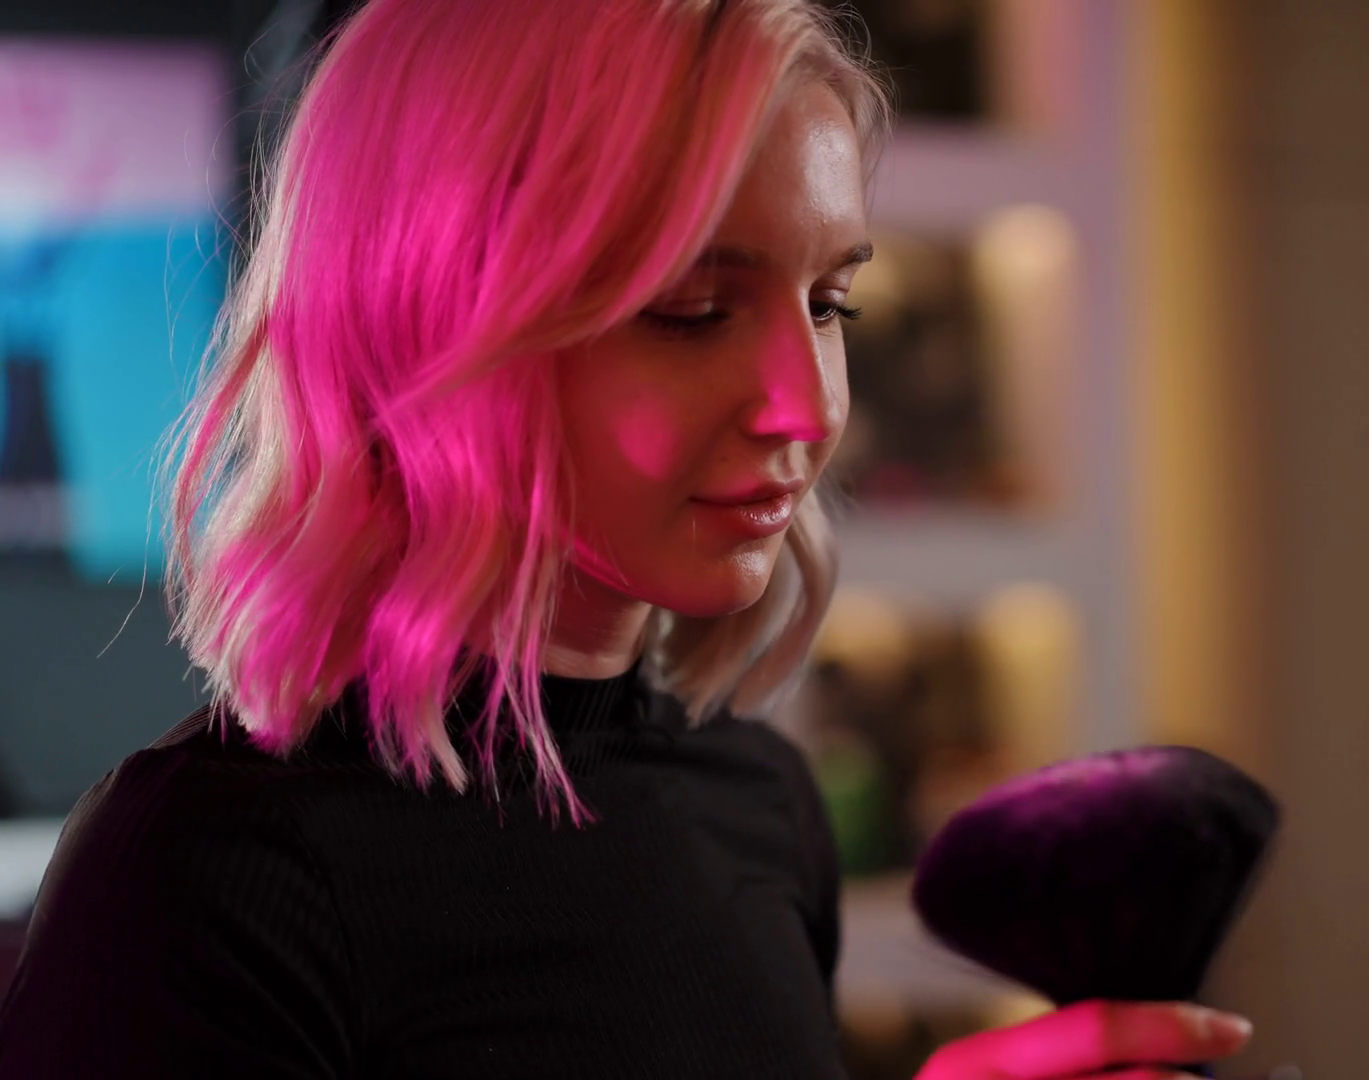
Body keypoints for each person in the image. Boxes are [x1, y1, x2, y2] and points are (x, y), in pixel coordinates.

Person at [0, 1, 1256, 1076]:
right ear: (433, 315)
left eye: (832, 303)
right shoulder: (210, 879)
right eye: (693, 310)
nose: (809, 407)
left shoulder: (761, 806)